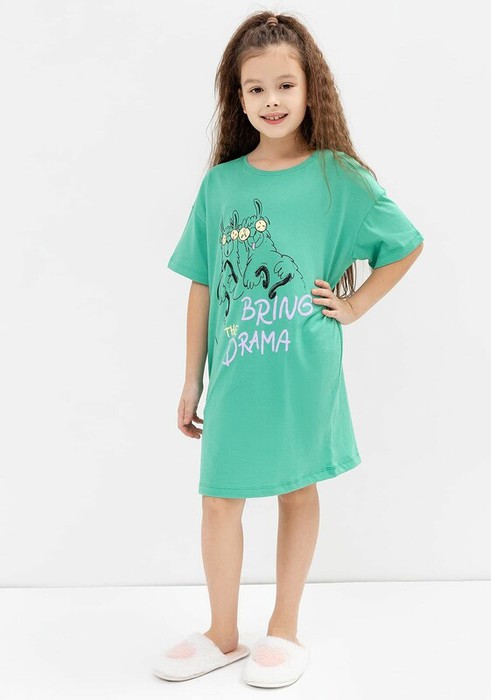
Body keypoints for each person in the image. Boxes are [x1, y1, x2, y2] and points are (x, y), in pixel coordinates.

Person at [152, 10, 424, 689]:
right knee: (219, 498)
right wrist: (190, 378)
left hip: (304, 366)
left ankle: (284, 627)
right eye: (255, 89)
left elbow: (405, 243)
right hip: (235, 374)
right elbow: (202, 286)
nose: (271, 101)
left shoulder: (339, 176)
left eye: (284, 85)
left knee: (297, 489)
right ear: (237, 97)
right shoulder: (221, 186)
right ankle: (222, 633)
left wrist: (354, 305)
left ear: (310, 89)